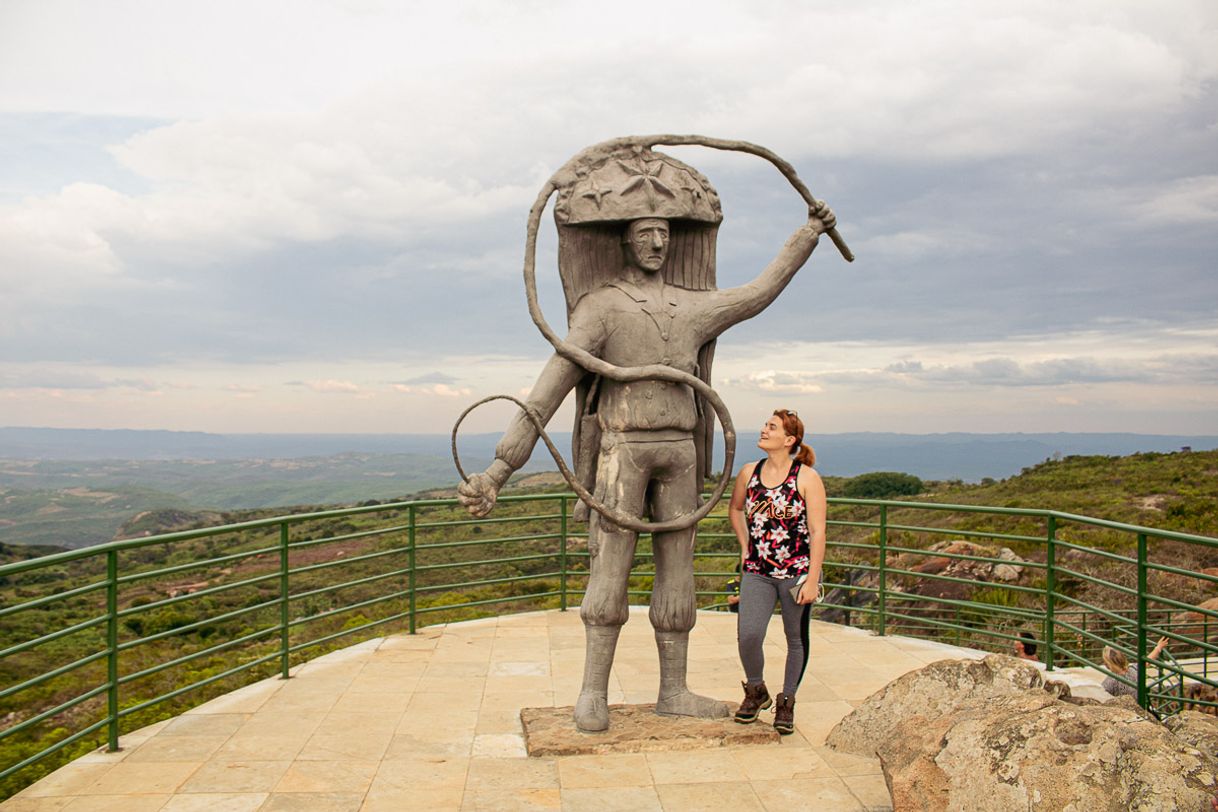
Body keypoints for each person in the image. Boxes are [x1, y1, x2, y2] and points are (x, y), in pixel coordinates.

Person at [458, 179, 837, 732]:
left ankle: (674, 689)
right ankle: (592, 692)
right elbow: (549, 388)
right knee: (610, 566)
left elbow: (758, 292)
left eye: (664, 233)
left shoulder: (694, 305)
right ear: (626, 242)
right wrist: (499, 469)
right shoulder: (602, 307)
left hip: (681, 449)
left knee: (677, 571)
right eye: (644, 233)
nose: (656, 242)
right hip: (623, 449)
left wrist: (808, 235)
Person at [728, 409, 827, 734]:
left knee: (795, 640)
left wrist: (812, 579)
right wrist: (745, 545)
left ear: (789, 440)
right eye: (765, 425)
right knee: (749, 635)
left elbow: (817, 531)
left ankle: (787, 701)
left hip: (796, 572)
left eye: (771, 427)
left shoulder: (806, 478)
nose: (763, 430)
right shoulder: (749, 473)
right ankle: (756, 691)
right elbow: (736, 508)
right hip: (757, 571)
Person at [1101, 636, 1168, 697]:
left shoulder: (1111, 680)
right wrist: (1158, 647)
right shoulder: (1134, 668)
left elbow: (1101, 694)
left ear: (1108, 664)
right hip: (1139, 705)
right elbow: (1148, 660)